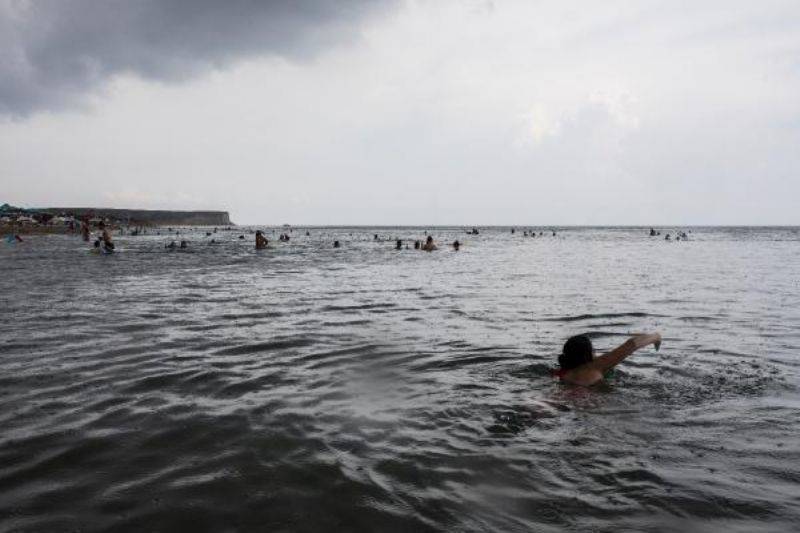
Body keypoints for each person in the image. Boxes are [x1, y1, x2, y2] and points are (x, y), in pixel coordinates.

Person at [553, 333, 662, 386]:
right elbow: (632, 344)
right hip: (585, 401)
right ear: (588, 355)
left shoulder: (562, 372)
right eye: (593, 350)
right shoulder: (596, 365)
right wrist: (656, 336)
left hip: (558, 398)